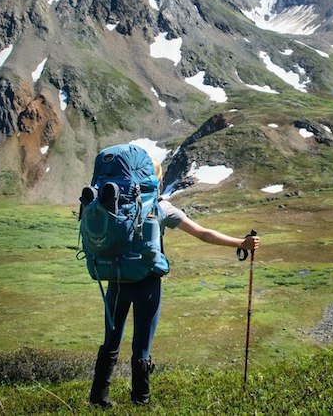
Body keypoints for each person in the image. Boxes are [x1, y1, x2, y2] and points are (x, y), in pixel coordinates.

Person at [89, 159, 260, 407]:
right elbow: (203, 234)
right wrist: (240, 243)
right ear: (155, 180)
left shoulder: (114, 205)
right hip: (147, 283)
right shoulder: (161, 208)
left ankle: (98, 400)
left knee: (111, 341)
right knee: (141, 347)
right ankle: (140, 402)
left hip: (117, 279)